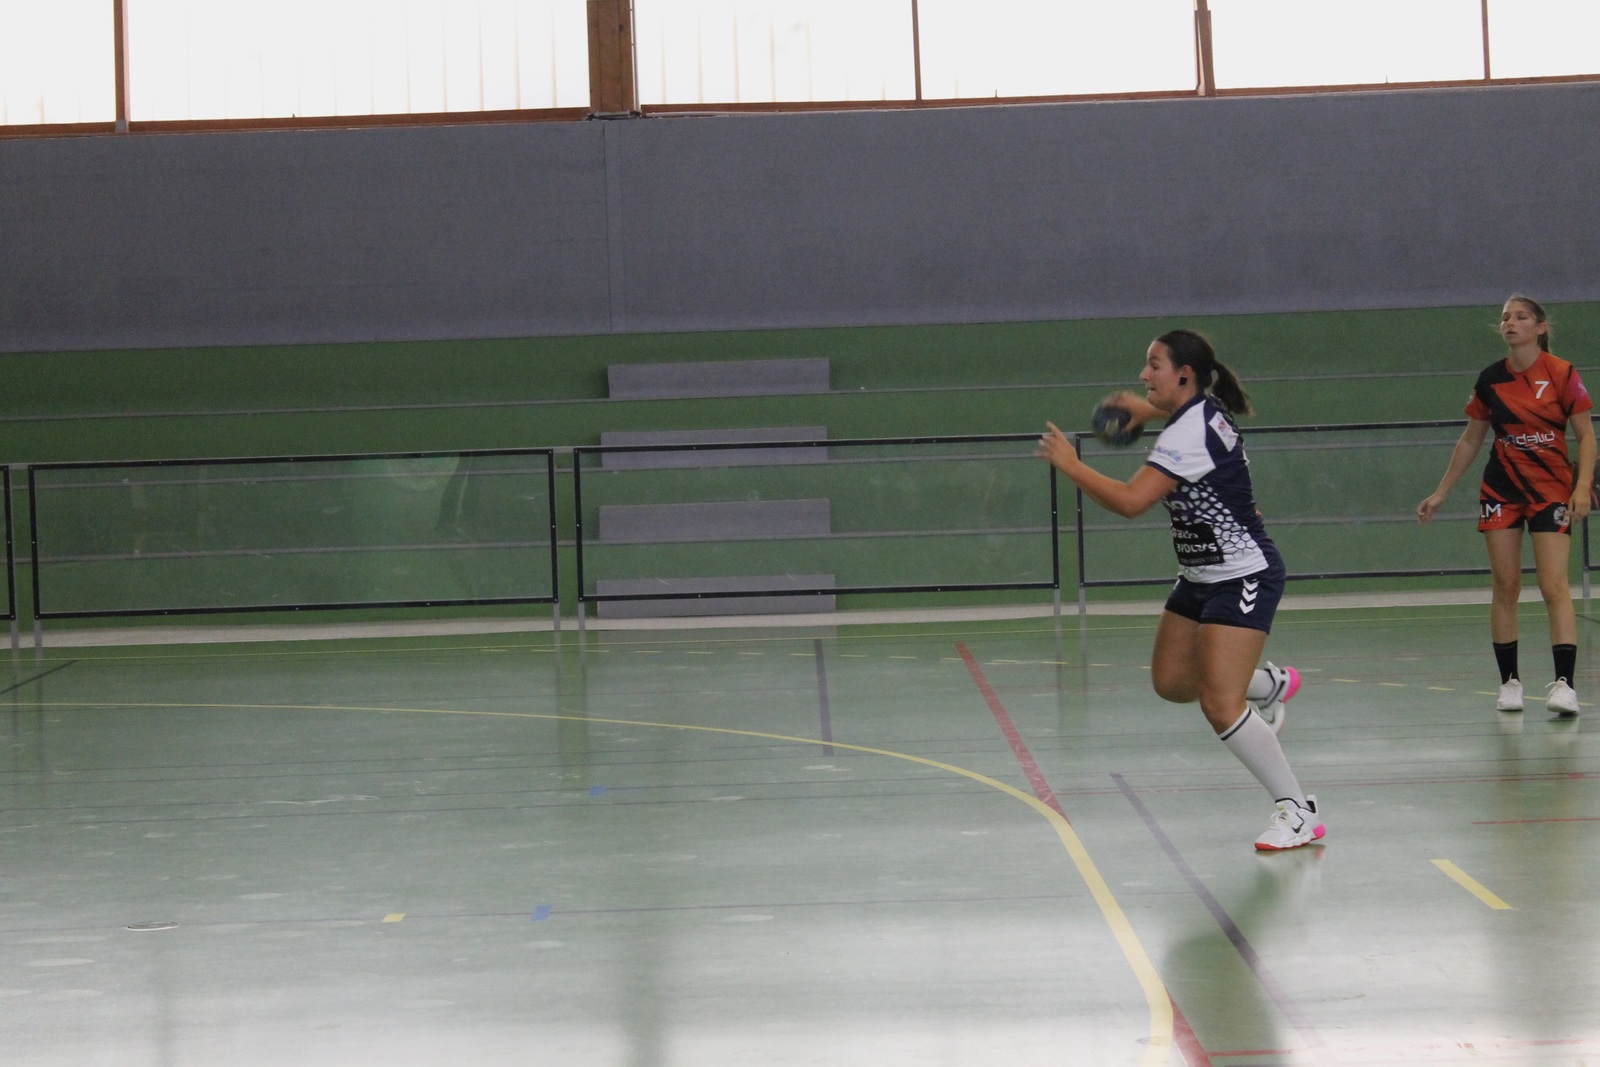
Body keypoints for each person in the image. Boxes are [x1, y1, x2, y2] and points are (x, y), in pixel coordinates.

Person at [1037, 329, 1320, 852]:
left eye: (1154, 366)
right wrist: (1146, 410)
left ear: (1184, 375)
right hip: (1199, 575)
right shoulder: (1200, 412)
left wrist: (1072, 465)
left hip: (1243, 575)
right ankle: (1266, 684)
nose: (1142, 375)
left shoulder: (1187, 435)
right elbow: (1185, 415)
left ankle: (1297, 810)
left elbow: (1131, 501)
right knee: (1171, 682)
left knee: (1219, 704)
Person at [1417, 295, 1595, 716]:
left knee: (1554, 585)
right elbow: (1471, 439)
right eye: (1505, 318)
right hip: (1501, 492)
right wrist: (1441, 492)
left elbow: (1586, 435)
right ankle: (1510, 683)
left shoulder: (1562, 373)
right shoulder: (1490, 379)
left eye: (1520, 317)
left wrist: (1582, 486)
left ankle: (1565, 686)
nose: (1510, 323)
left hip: (1551, 490)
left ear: (1540, 327)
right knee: (1506, 584)